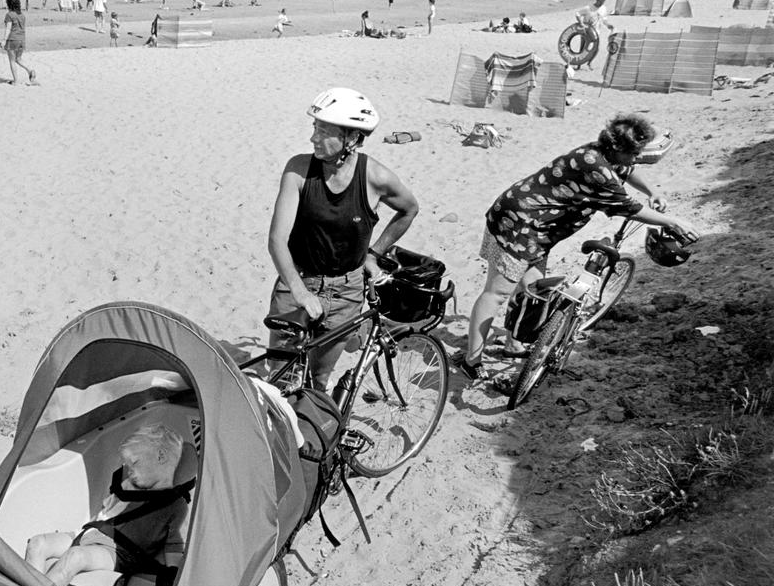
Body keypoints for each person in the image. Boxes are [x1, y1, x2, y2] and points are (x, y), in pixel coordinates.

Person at [454, 114, 701, 380]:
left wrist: (652, 191)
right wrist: (673, 221)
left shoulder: (601, 153)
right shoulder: (596, 170)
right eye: (634, 153)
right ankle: (471, 361)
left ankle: (514, 344)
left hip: (539, 229)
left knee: (534, 289)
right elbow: (630, 209)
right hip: (518, 224)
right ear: (618, 148)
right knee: (496, 293)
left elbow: (627, 171)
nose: (636, 159)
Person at [267, 88, 419, 390]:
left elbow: (409, 209)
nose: (313, 138)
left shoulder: (376, 177)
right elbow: (277, 239)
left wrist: (374, 253)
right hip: (297, 281)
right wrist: (300, 292)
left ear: (351, 138)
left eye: (324, 131)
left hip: (346, 293)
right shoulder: (298, 169)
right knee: (280, 377)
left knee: (319, 379)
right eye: (314, 128)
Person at [25, 423, 187, 586]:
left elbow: (174, 547)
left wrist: (173, 579)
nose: (130, 471)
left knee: (75, 556)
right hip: (89, 533)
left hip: (117, 552)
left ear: (160, 457)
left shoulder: (175, 504)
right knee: (37, 543)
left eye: (135, 463)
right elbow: (105, 513)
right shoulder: (128, 488)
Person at [0, 0, 36, 85]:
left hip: (12, 39)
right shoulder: (22, 15)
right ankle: (30, 70)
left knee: (12, 60)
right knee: (18, 59)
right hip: (22, 39)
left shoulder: (9, 15)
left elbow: (8, 28)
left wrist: (4, 40)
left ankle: (15, 81)